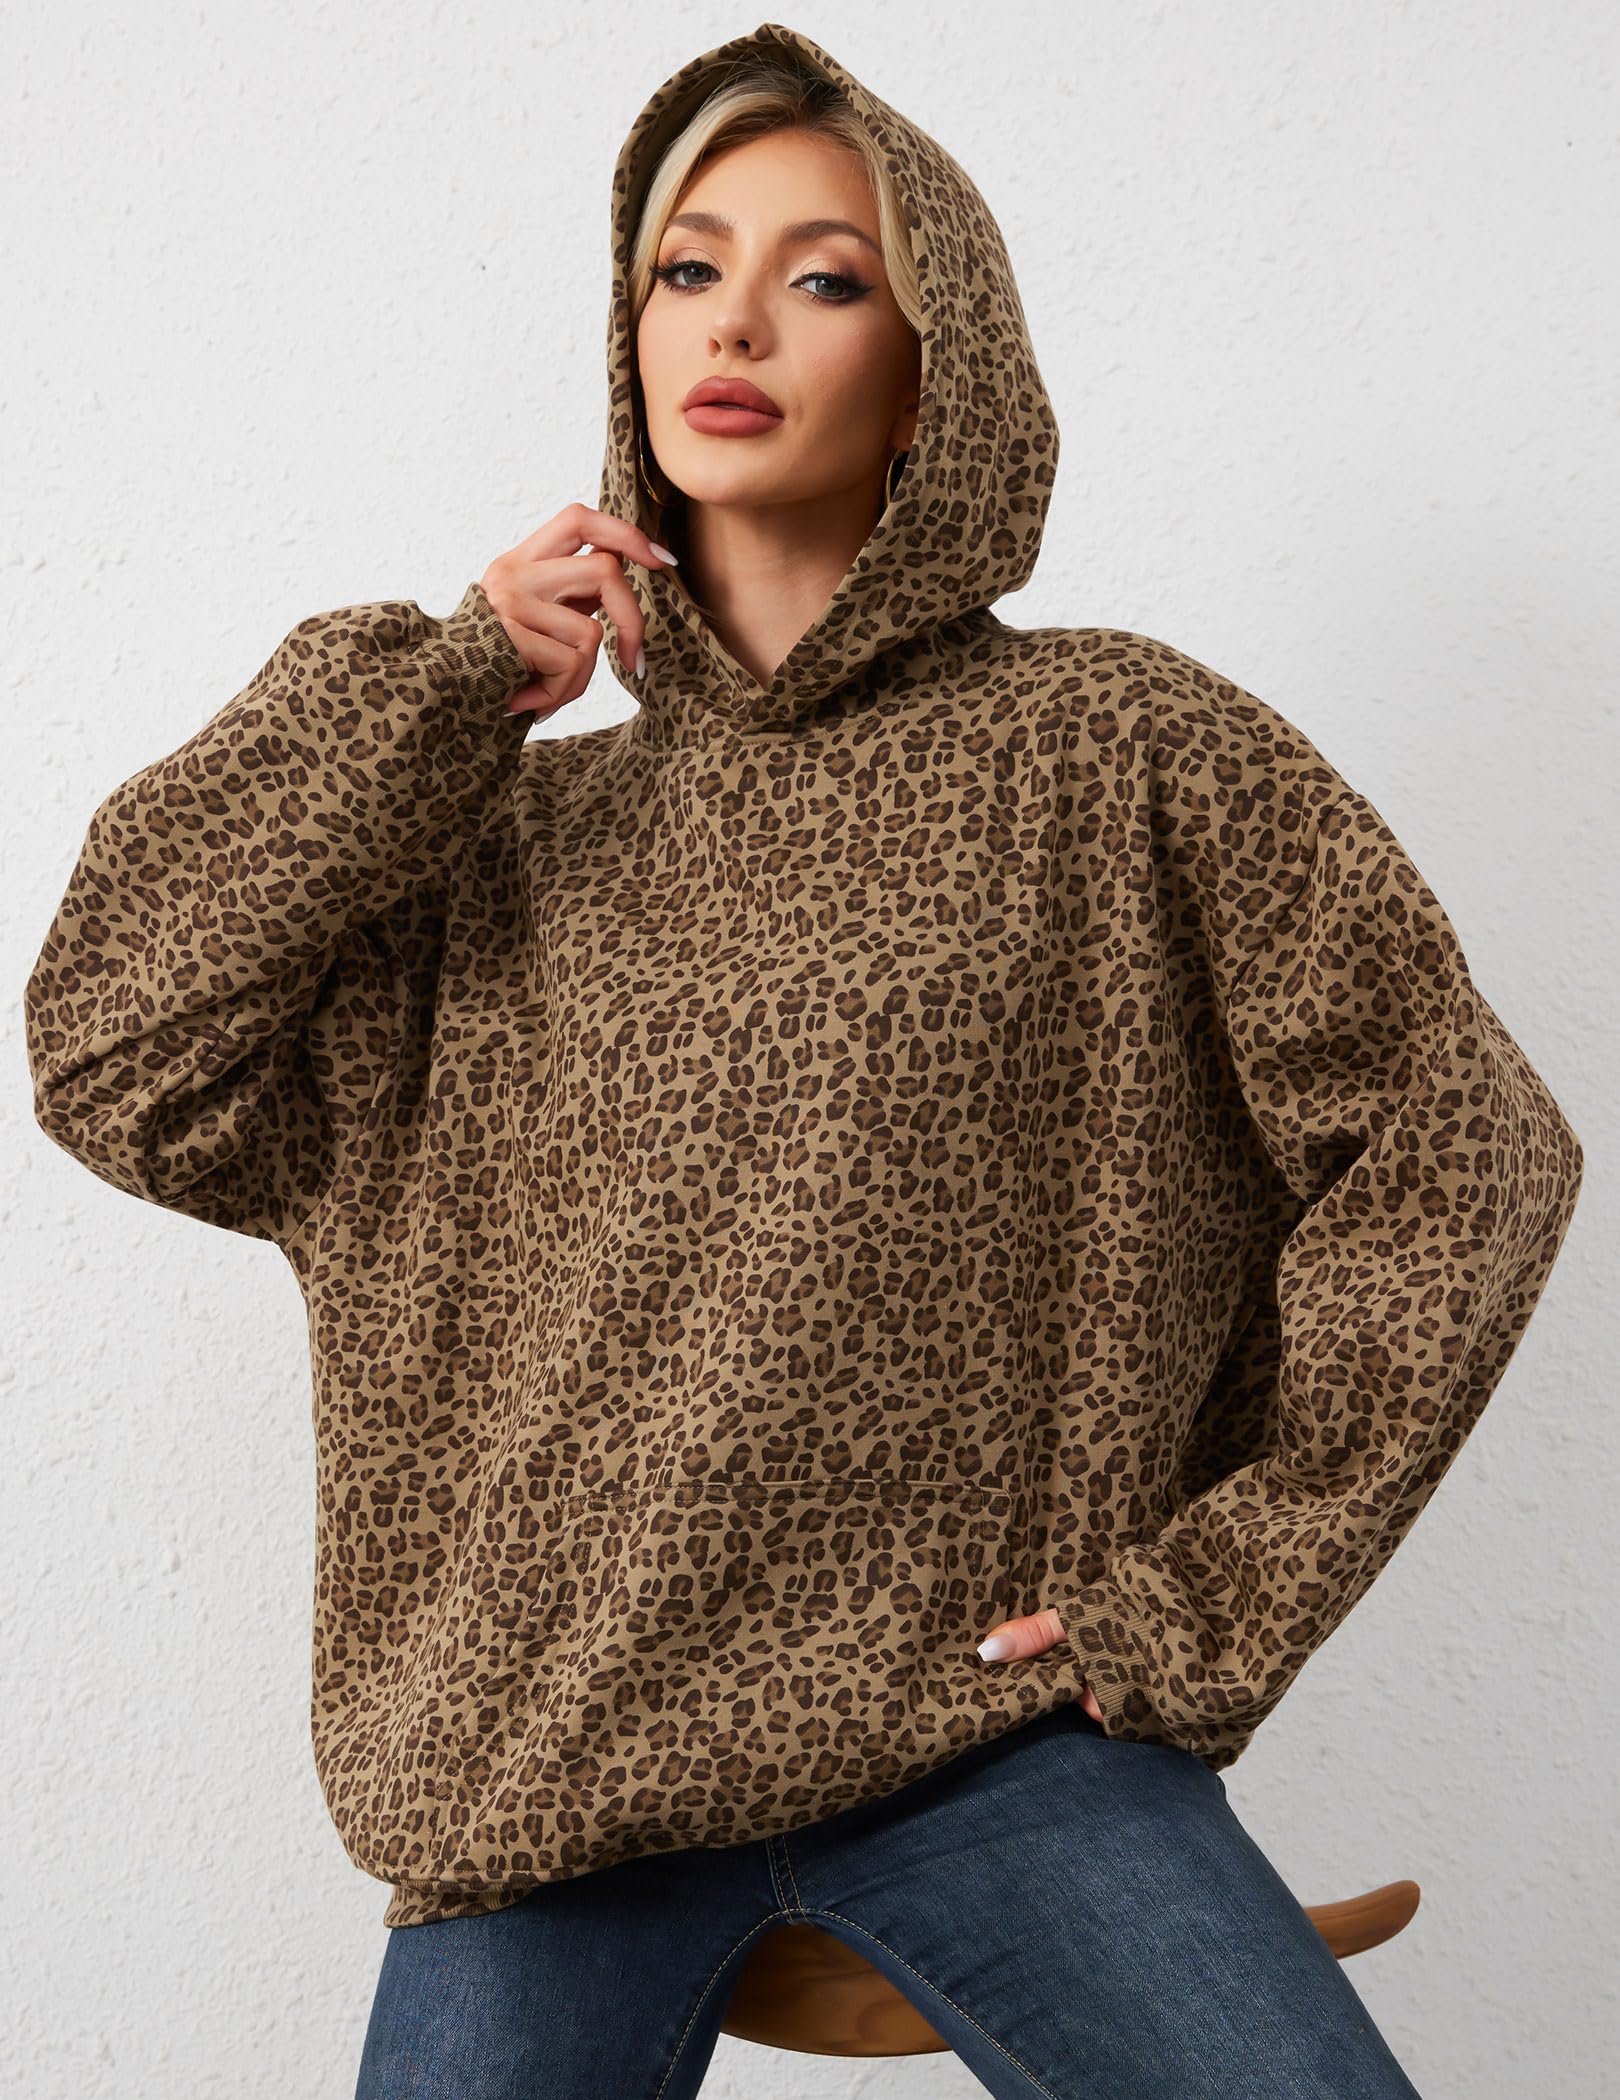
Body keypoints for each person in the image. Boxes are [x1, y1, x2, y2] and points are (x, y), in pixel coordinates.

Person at [23, 23, 1582, 2099]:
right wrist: (440, 690)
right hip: (546, 1778)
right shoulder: (489, 838)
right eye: (688, 269)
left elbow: (1464, 1152)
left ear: (938, 374)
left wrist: (1209, 1598)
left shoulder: (1120, 752)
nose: (735, 322)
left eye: (826, 277)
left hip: (995, 1746)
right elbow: (114, 1045)